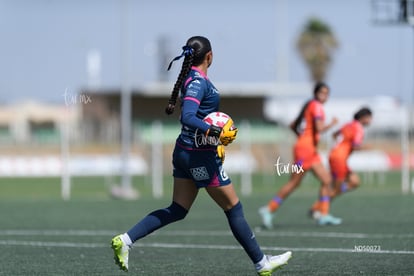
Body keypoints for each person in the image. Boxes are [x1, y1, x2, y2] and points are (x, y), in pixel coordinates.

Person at [111, 36, 292, 275]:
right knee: (233, 208)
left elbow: (194, 119)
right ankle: (262, 263)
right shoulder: (198, 81)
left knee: (178, 209)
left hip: (188, 152)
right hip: (198, 157)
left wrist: (212, 140)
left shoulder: (195, 79)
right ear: (210, 56)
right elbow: (187, 116)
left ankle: (125, 240)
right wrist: (214, 131)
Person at [259, 82, 342, 228]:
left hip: (309, 150)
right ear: (316, 93)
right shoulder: (316, 106)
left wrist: (302, 138)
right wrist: (332, 123)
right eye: (322, 93)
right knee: (294, 183)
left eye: (327, 93)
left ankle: (323, 214)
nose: (325, 96)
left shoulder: (309, 105)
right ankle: (269, 209)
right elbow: (320, 128)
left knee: (327, 179)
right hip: (305, 151)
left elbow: (293, 125)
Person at [310, 107, 373, 215]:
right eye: (369, 118)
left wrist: (340, 146)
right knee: (336, 189)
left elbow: (335, 134)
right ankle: (317, 209)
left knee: (354, 182)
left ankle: (319, 207)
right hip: (339, 159)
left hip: (336, 157)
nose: (370, 121)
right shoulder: (358, 128)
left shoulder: (348, 125)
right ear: (363, 118)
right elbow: (356, 146)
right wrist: (367, 147)